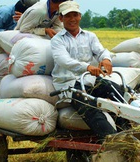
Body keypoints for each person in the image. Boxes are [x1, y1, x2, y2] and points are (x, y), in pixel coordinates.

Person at [51, 1, 129, 141]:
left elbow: (101, 51)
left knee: (114, 89)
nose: (72, 19)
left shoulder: (90, 36)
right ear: (61, 18)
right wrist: (87, 67)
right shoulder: (57, 40)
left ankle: (127, 131)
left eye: (75, 15)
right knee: (87, 103)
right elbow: (63, 60)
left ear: (80, 16)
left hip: (88, 80)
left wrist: (106, 59)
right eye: (68, 16)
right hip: (68, 83)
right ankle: (111, 139)